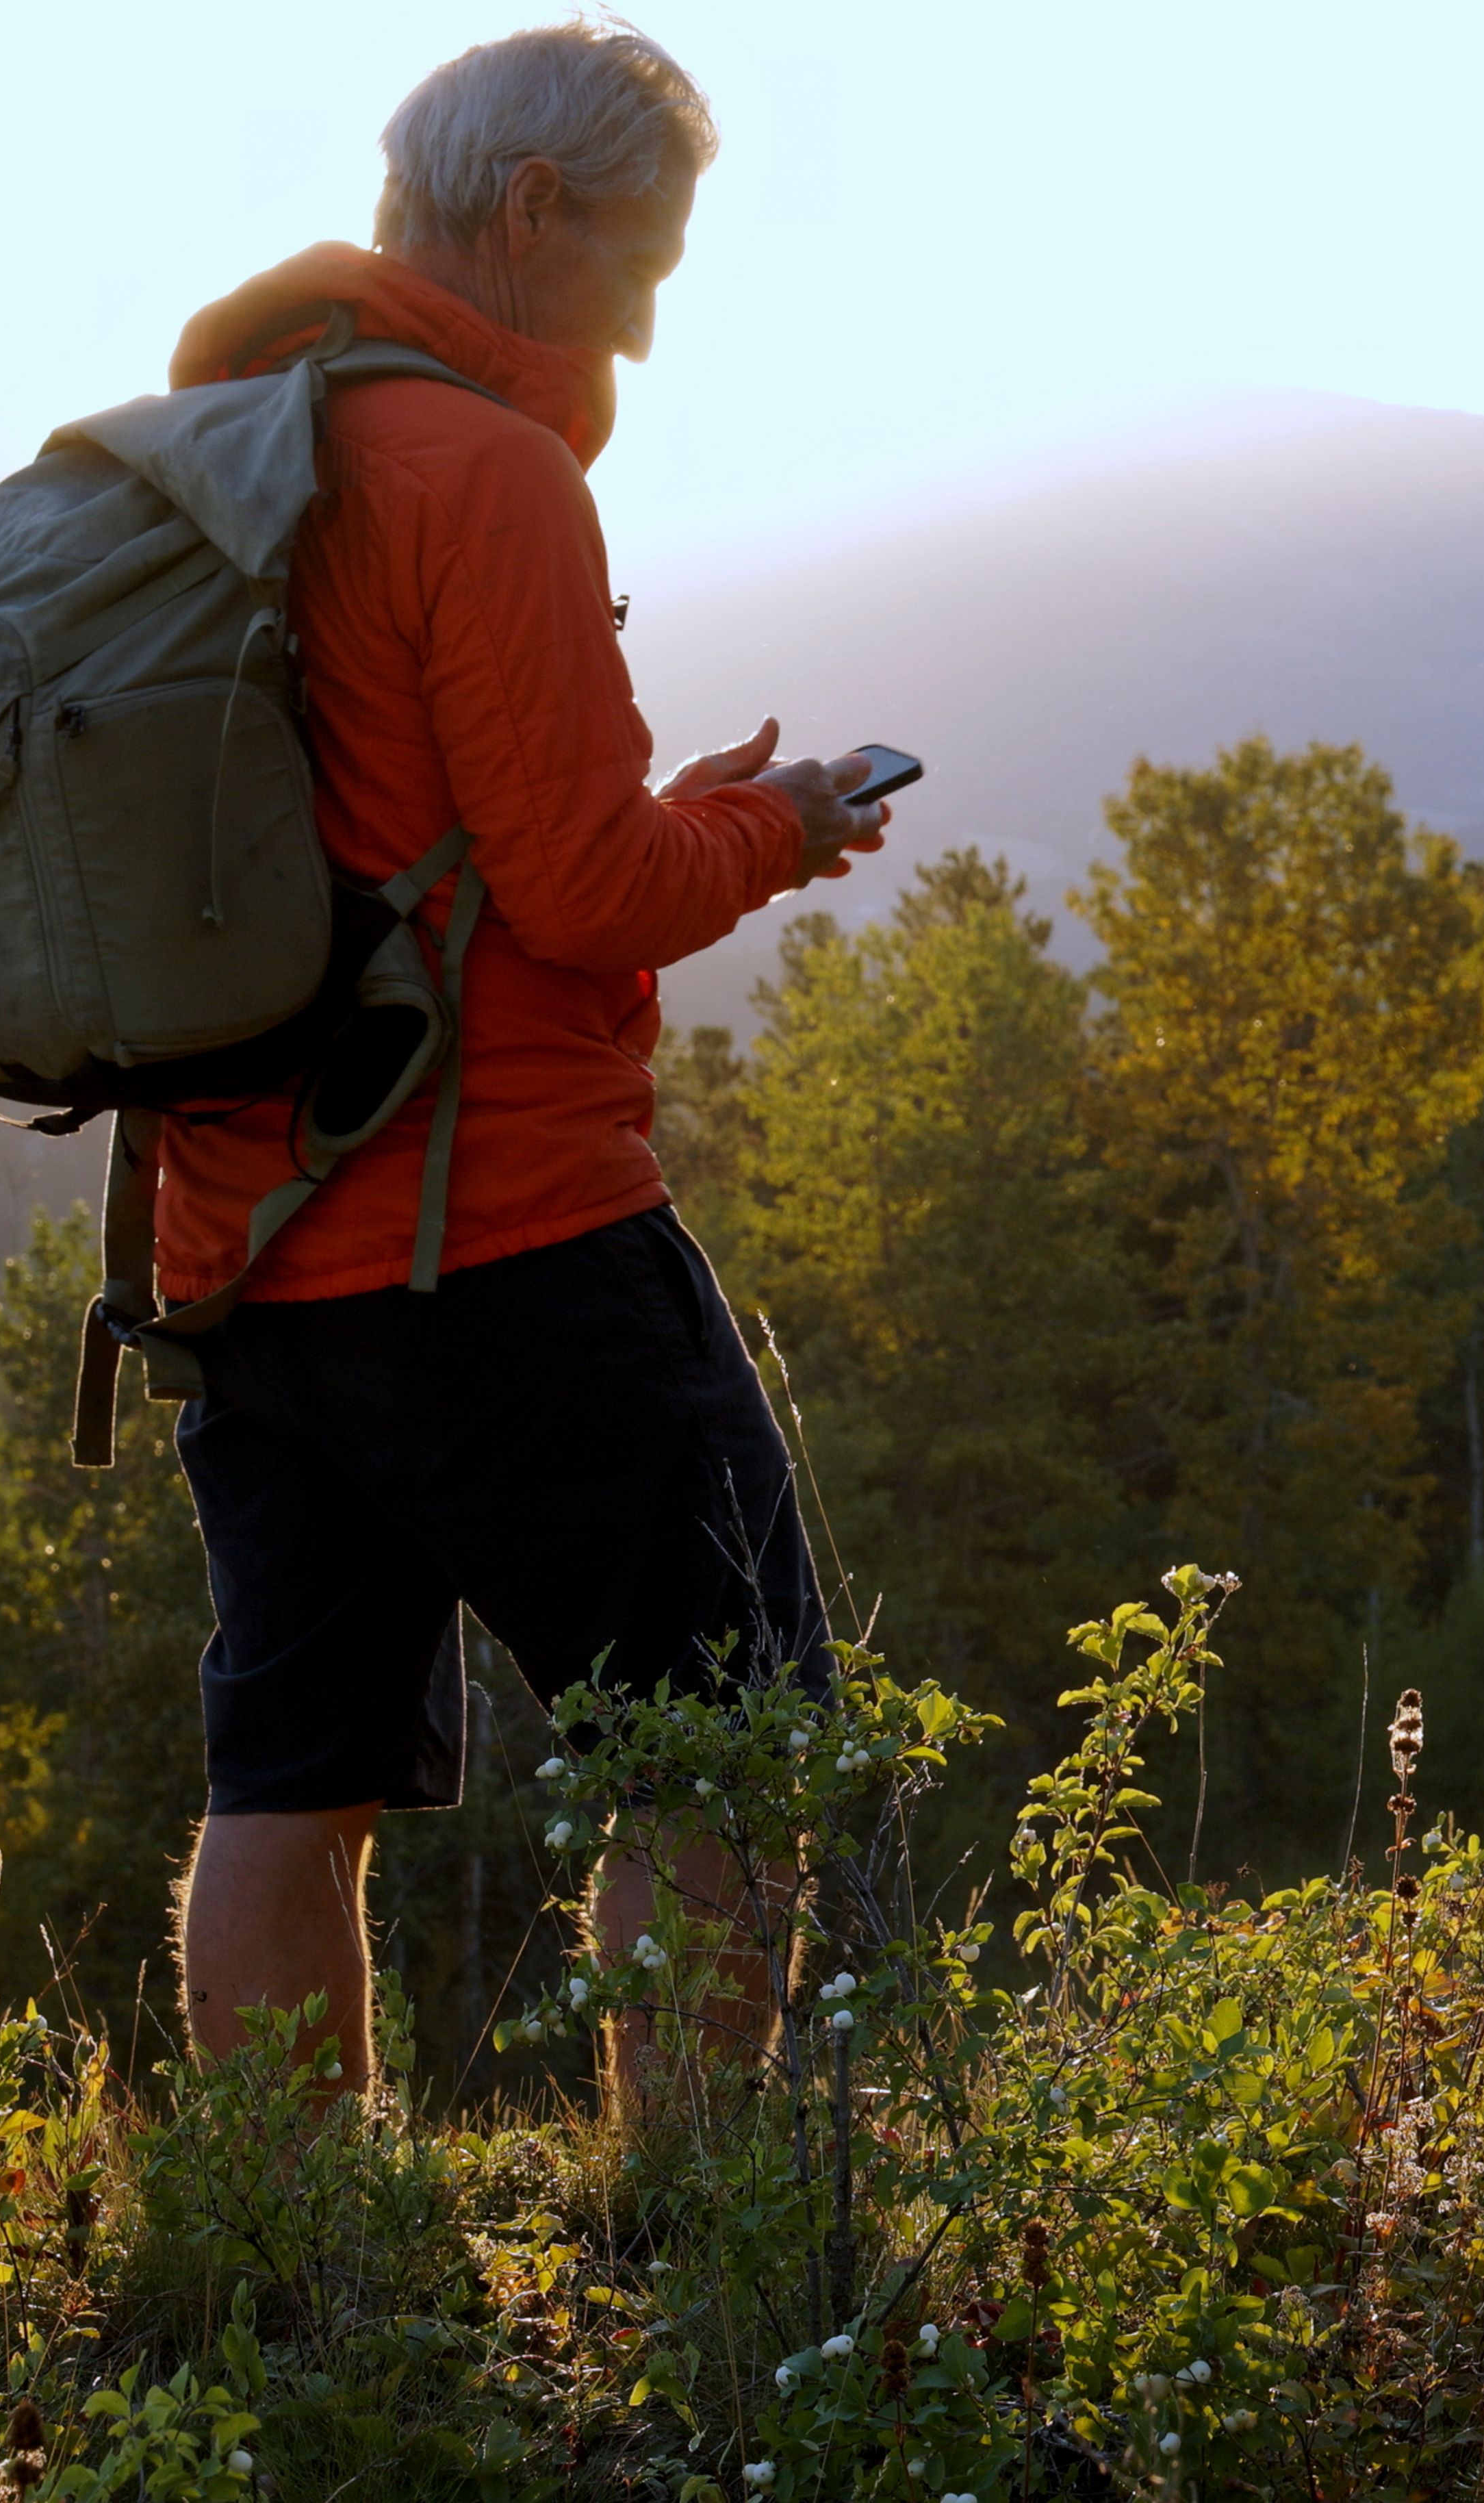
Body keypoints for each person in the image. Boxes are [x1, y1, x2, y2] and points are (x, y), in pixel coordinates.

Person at [144, 24, 887, 2105]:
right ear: (534, 211)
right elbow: (574, 889)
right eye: (645, 251)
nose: (656, 307)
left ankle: (277, 2257)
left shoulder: (233, 447)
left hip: (246, 1236)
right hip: (509, 1232)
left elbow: (417, 836)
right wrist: (777, 824)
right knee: (723, 1736)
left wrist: (665, 813)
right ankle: (709, 2224)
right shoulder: (481, 469)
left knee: (291, 1771)